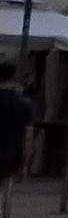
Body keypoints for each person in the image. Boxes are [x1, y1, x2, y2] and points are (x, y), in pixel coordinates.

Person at [0, 60, 34, 189]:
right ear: (13, 77)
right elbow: (27, 138)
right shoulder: (23, 104)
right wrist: (24, 165)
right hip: (9, 160)